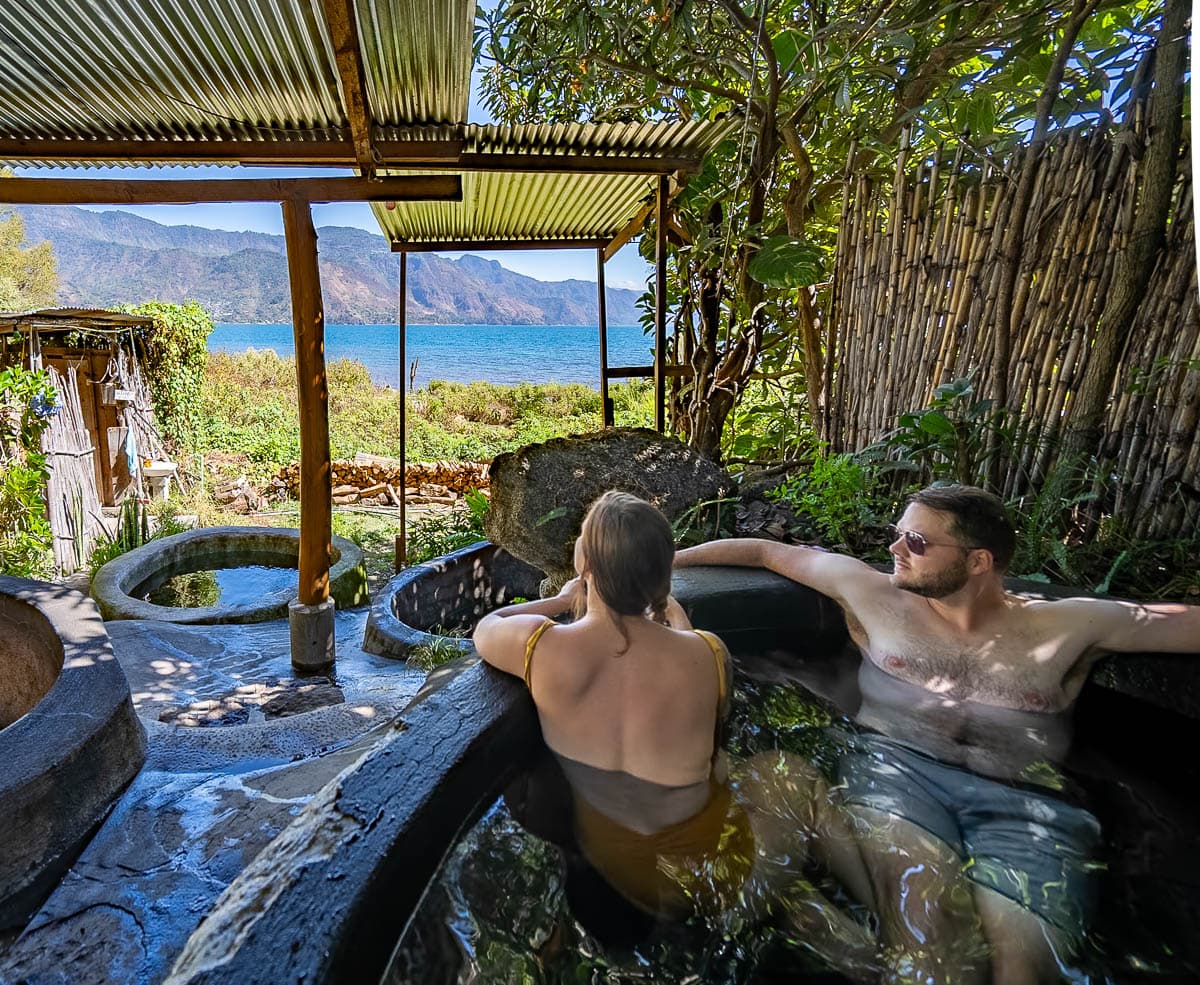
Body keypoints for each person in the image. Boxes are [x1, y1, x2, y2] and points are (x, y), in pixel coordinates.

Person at [675, 483, 1200, 983]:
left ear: (978, 561)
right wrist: (647, 568)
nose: (896, 547)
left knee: (1024, 975)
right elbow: (766, 553)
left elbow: (1177, 623)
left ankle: (829, 928)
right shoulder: (873, 594)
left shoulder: (1068, 626)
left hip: (1025, 801)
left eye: (918, 541)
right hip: (897, 776)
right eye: (899, 531)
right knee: (933, 959)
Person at [474, 491, 882, 980]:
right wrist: (680, 623)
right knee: (790, 775)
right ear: (663, 574)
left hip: (627, 875)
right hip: (714, 867)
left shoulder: (543, 648)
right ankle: (876, 910)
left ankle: (802, 911)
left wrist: (562, 601)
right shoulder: (707, 654)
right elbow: (715, 739)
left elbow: (488, 625)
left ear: (583, 561)